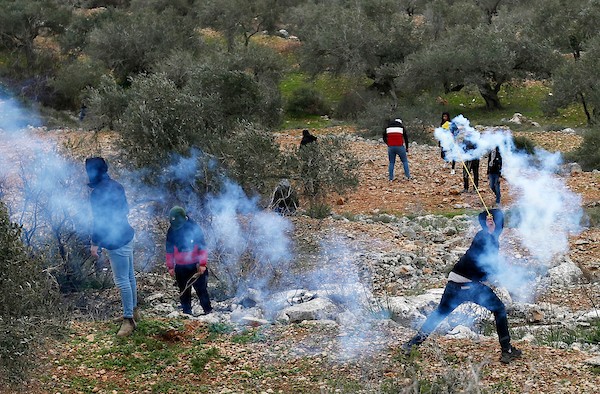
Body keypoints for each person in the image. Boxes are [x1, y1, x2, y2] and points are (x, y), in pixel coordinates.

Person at [402, 209, 522, 364]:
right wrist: (489, 231)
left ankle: (412, 345)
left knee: (439, 313)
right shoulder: (484, 235)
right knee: (499, 309)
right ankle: (507, 350)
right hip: (471, 287)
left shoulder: (489, 238)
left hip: (456, 283)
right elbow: (485, 254)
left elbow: (486, 266)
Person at [86, 157, 138, 337]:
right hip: (128, 234)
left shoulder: (97, 194)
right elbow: (126, 210)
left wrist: (94, 244)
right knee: (130, 276)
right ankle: (133, 311)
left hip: (116, 241)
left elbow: (99, 221)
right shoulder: (117, 185)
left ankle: (128, 320)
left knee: (122, 280)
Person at [165, 206, 212, 316]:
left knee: (202, 291)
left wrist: (202, 264)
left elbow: (202, 247)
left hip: (196, 266)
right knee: (184, 292)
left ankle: (208, 312)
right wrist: (170, 266)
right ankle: (187, 314)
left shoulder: (194, 227)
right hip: (180, 267)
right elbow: (169, 250)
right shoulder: (171, 230)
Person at [383, 117, 410, 181]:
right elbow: (406, 138)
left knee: (391, 162)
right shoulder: (401, 128)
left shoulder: (388, 128)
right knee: (404, 161)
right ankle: (408, 176)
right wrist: (407, 148)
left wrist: (388, 143)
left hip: (391, 147)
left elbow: (384, 137)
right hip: (400, 146)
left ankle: (391, 178)